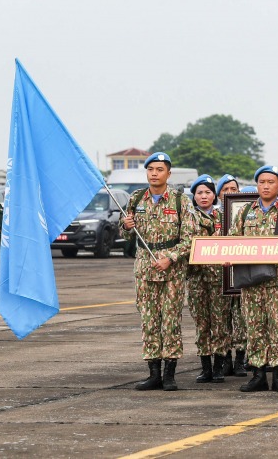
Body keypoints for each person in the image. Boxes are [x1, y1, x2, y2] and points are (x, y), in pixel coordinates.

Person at [120, 152, 197, 392]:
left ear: (168, 173)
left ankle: (170, 374)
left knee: (170, 321)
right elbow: (125, 235)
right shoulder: (136, 198)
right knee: (149, 320)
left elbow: (190, 238)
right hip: (144, 267)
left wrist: (170, 258)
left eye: (159, 169)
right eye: (151, 169)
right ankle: (153, 373)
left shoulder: (179, 200)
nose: (154, 173)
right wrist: (125, 226)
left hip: (171, 270)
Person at [228, 165, 278, 393]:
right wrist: (227, 255)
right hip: (251, 283)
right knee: (254, 327)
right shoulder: (244, 212)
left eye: (271, 182)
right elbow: (232, 241)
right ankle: (258, 375)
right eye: (262, 182)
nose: (266, 186)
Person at [187, 175, 231, 384]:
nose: (203, 196)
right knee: (202, 322)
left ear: (214, 195)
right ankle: (205, 367)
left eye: (208, 192)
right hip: (197, 278)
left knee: (220, 322)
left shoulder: (225, 216)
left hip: (220, 278)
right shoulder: (188, 217)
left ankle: (219, 366)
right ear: (193, 196)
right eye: (199, 193)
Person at [215, 174, 246, 377]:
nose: (229, 193)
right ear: (218, 195)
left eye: (233, 189)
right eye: (225, 190)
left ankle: (241, 360)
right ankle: (225, 359)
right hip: (218, 275)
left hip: (241, 273)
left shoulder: (245, 214)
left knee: (241, 318)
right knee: (222, 319)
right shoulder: (212, 216)